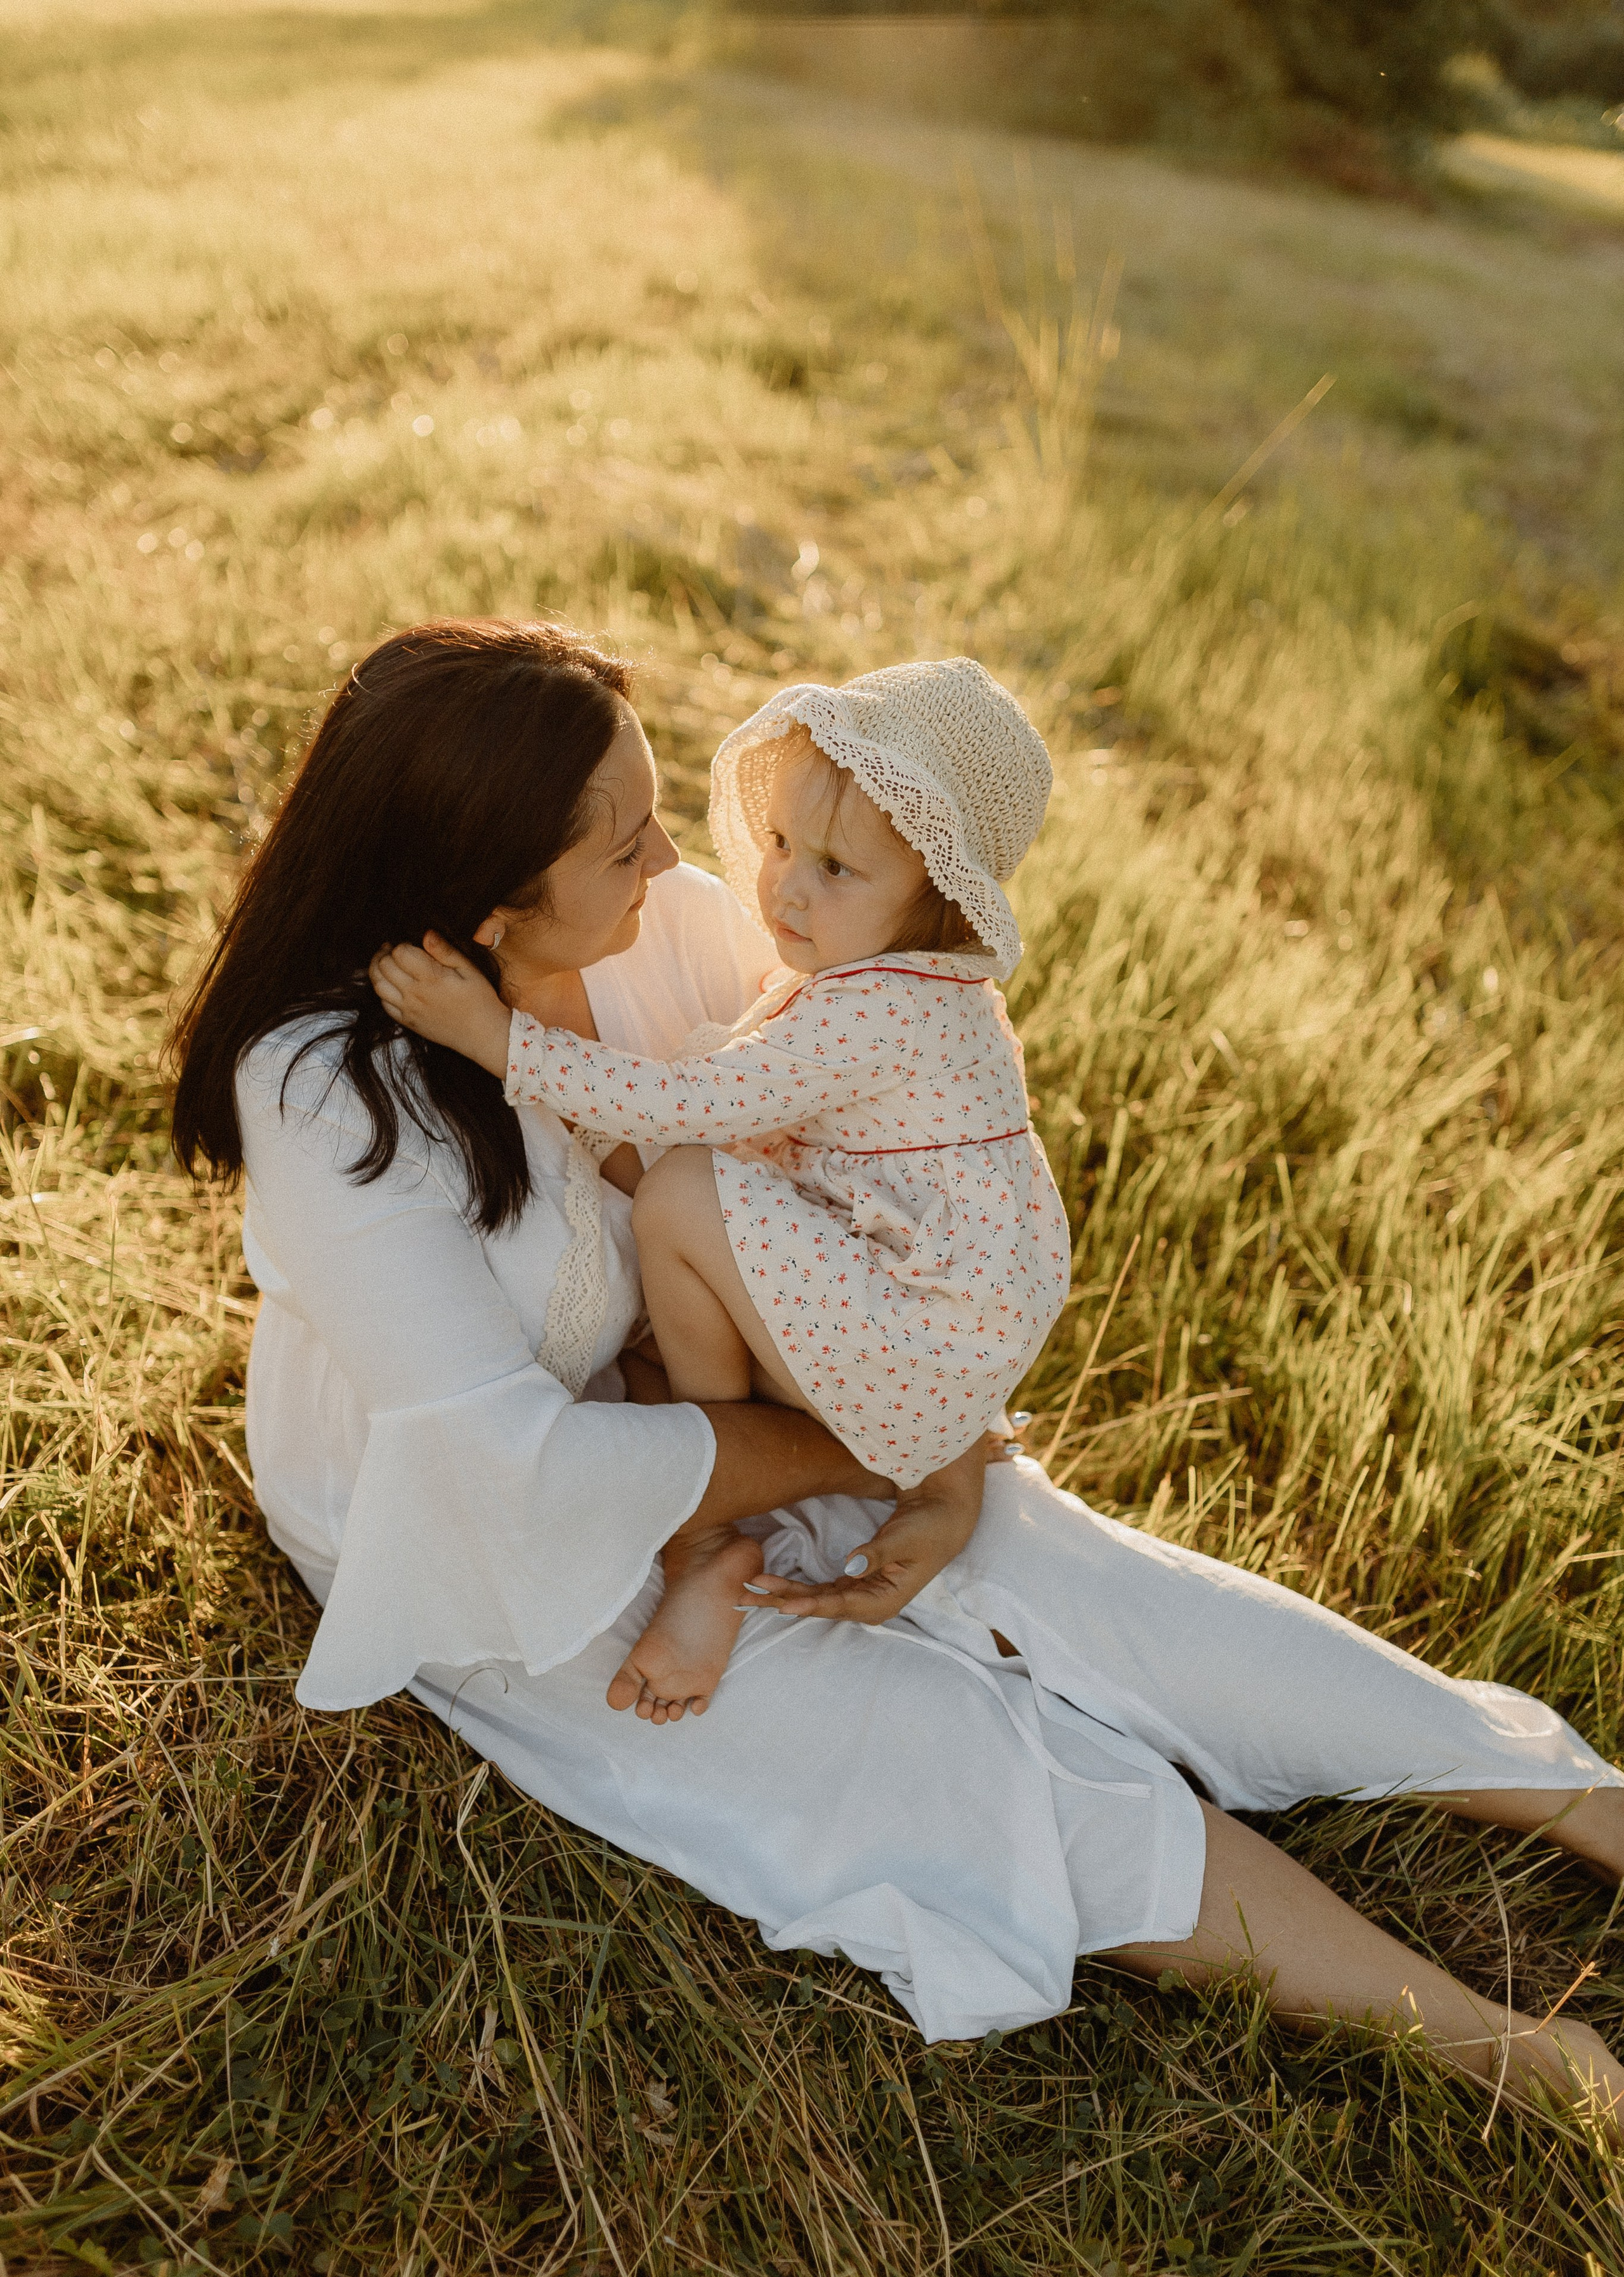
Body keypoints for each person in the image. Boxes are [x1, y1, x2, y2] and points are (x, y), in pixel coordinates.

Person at [168, 616, 1624, 2129]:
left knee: (1082, 1584)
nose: (680, 866)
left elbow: (881, 1216)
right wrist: (858, 1459)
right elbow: (506, 1467)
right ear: (484, 902)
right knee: (939, 1759)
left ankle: (1587, 1800)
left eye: (666, 810)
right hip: (496, 1528)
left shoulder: (663, 930)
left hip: (734, 1401)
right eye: (627, 845)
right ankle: (1505, 2051)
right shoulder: (329, 1093)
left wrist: (943, 1459)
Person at [369, 660, 1072, 1723]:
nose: (786, 885)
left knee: (684, 1196)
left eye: (837, 869)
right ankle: (779, 1467)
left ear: (933, 894)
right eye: (784, 843)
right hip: (944, 1330)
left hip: (928, 1342)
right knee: (684, 1234)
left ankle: (708, 1534)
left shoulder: (875, 1012)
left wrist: (496, 1038)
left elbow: (690, 1104)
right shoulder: (908, 987)